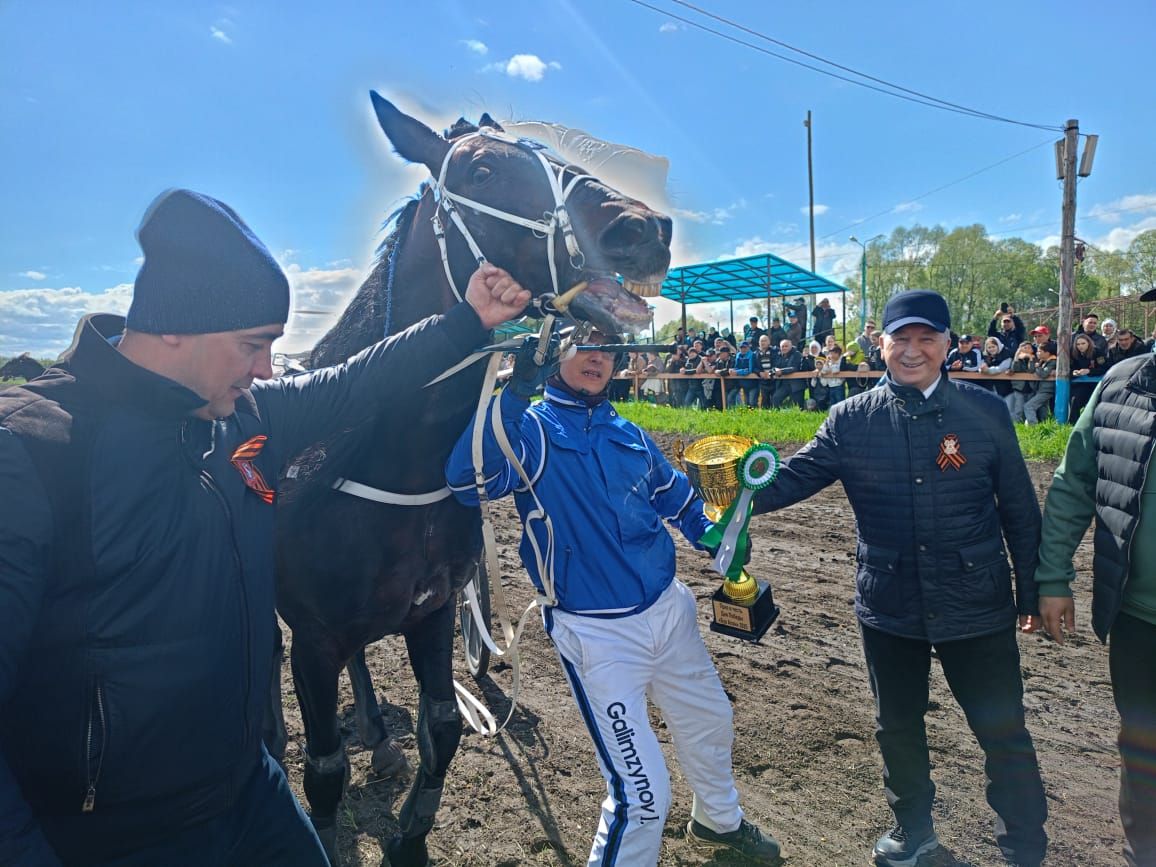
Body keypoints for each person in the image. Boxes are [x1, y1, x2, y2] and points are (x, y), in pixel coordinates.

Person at [0, 189, 532, 866]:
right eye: (253, 345)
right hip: (116, 836)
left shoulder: (246, 422)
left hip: (252, 792)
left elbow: (359, 382)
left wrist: (468, 319)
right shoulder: (31, 453)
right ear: (175, 325)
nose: (265, 369)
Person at [444, 330, 782, 867]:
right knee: (643, 797)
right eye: (583, 345)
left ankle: (719, 824)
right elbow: (467, 481)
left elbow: (680, 500)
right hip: (598, 634)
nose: (598, 358)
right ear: (555, 354)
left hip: (670, 613)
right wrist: (511, 395)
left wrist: (715, 534)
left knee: (711, 720)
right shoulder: (529, 431)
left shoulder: (630, 432)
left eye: (607, 349)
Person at [750, 289, 1048, 867]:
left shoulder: (984, 412)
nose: (913, 351)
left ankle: (1024, 850)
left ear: (947, 345)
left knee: (1003, 731)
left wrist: (1030, 591)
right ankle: (914, 833)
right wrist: (720, 494)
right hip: (889, 605)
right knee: (898, 727)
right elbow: (790, 480)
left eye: (926, 338)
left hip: (976, 603)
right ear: (880, 344)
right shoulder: (849, 419)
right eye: (900, 339)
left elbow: (1018, 507)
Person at [1036, 289, 1156, 865]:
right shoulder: (1122, 385)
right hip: (1140, 618)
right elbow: (1073, 483)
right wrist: (1054, 577)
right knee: (1143, 744)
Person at [1069, 332, 1107, 420]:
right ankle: (1072, 425)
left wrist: (1089, 371)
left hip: (1096, 385)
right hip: (1080, 384)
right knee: (1075, 400)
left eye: (1083, 343)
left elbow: (1104, 367)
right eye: (1078, 344)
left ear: (1088, 343)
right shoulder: (1074, 354)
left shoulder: (1098, 352)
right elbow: (1070, 368)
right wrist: (1074, 372)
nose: (1080, 346)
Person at [1023, 340, 1057, 425]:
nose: (1037, 353)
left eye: (1040, 351)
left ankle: (1033, 427)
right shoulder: (1042, 361)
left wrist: (1038, 368)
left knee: (1028, 406)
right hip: (1040, 389)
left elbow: (1044, 374)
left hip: (1047, 390)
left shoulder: (1052, 361)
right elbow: (1031, 370)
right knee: (1042, 410)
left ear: (1047, 353)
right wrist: (1031, 360)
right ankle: (1043, 428)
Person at [1007, 342, 1037, 422]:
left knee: (1028, 408)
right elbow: (1015, 369)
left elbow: (1031, 370)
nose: (1027, 349)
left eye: (1029, 348)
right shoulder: (1017, 360)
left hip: (1031, 388)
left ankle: (1028, 423)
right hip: (1019, 388)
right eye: (1024, 347)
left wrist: (1030, 359)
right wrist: (1017, 357)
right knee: (1018, 408)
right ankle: (1017, 424)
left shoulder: (1035, 359)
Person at [734, 340, 757, 407]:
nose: (743, 349)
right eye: (741, 348)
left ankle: (756, 416)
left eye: (745, 347)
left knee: (752, 402)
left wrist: (737, 372)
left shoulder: (752, 355)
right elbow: (736, 367)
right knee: (747, 403)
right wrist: (732, 370)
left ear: (748, 348)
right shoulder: (738, 355)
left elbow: (749, 370)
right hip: (743, 383)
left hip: (753, 383)